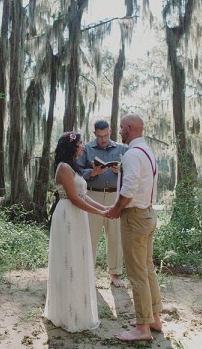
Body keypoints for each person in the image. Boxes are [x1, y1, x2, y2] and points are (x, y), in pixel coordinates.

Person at [43, 131, 108, 333]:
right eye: (80, 144)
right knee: (68, 260)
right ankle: (66, 313)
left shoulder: (75, 168)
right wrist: (101, 212)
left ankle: (79, 308)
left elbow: (84, 196)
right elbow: (74, 198)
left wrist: (104, 210)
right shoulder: (63, 168)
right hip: (67, 216)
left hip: (78, 216)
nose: (82, 147)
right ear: (71, 146)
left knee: (78, 260)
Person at [107, 114, 162, 342]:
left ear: (129, 129)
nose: (119, 132)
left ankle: (142, 328)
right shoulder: (148, 152)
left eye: (121, 128)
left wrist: (116, 209)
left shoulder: (131, 154)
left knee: (137, 273)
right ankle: (154, 318)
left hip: (134, 218)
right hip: (148, 214)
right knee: (147, 269)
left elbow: (128, 189)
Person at [77, 120, 127, 288]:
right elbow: (76, 172)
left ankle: (115, 274)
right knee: (90, 235)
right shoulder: (87, 149)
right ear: (94, 134)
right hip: (93, 195)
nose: (103, 140)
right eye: (99, 136)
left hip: (115, 196)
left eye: (105, 135)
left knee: (115, 236)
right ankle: (87, 274)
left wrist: (121, 169)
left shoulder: (122, 149)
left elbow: (132, 172)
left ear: (110, 132)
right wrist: (92, 172)